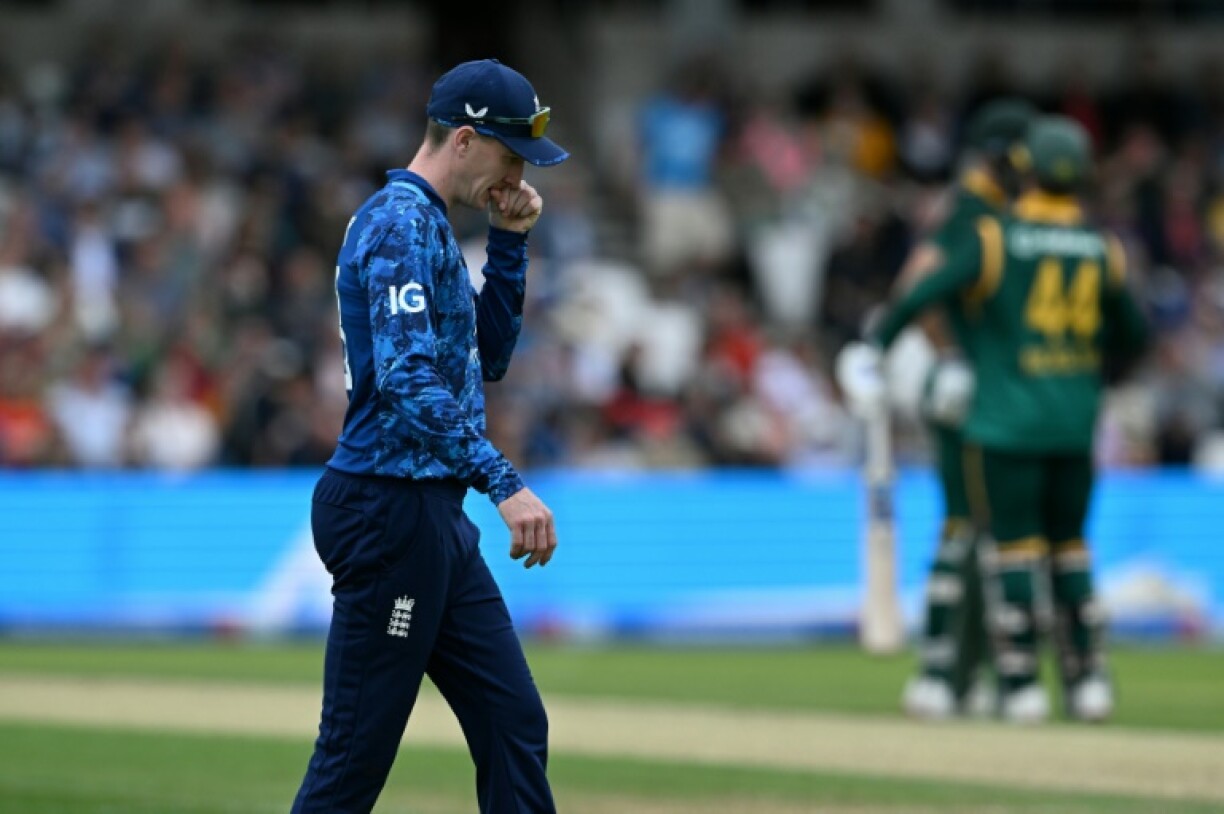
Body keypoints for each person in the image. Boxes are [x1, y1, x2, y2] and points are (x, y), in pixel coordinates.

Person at [291, 59, 567, 813]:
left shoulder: (430, 225)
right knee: (354, 757)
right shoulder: (399, 223)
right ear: (467, 141)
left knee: (513, 719)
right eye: (511, 156)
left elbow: (487, 359)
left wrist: (508, 244)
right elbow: (411, 383)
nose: (516, 176)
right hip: (389, 511)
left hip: (428, 512)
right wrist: (505, 484)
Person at [840, 116, 1148, 723]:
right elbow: (1135, 334)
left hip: (1005, 422)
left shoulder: (993, 239)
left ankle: (1021, 686)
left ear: (1023, 169)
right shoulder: (1103, 248)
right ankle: (1090, 684)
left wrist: (875, 348)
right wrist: (1088, 378)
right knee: (1071, 552)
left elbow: (921, 293)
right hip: (1074, 422)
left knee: (1013, 553)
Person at [889, 98, 1036, 720]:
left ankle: (968, 673)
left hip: (986, 384)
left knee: (981, 530)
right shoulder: (971, 209)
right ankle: (942, 672)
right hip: (963, 383)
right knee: (965, 525)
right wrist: (950, 357)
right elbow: (920, 282)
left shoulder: (992, 209)